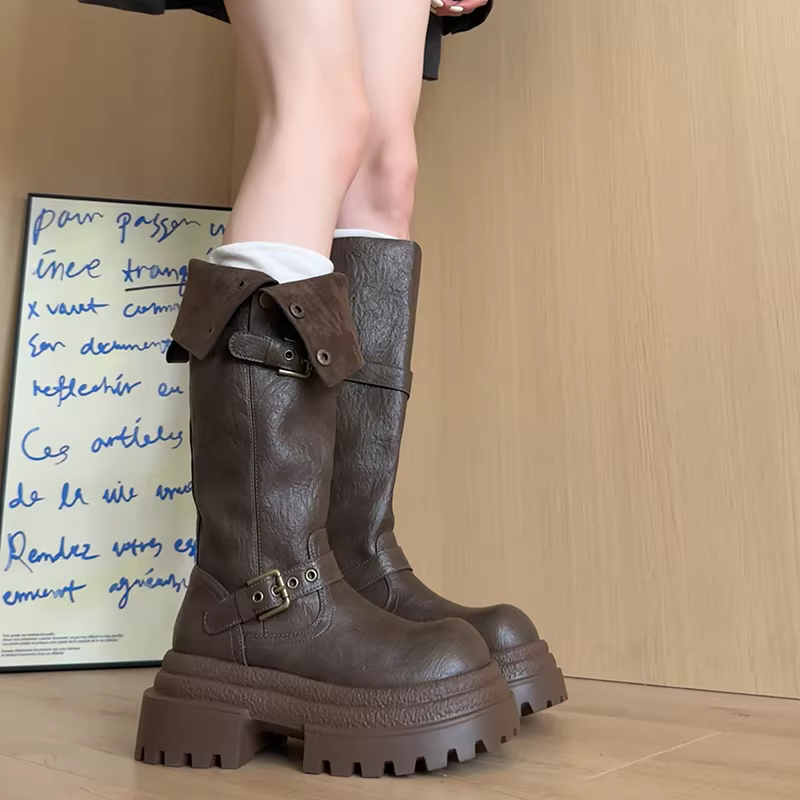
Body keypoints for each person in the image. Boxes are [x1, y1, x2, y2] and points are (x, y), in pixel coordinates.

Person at [80, 0, 566, 778]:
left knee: (384, 170)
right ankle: (260, 599)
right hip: (252, 602)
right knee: (319, 114)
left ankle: (349, 562)